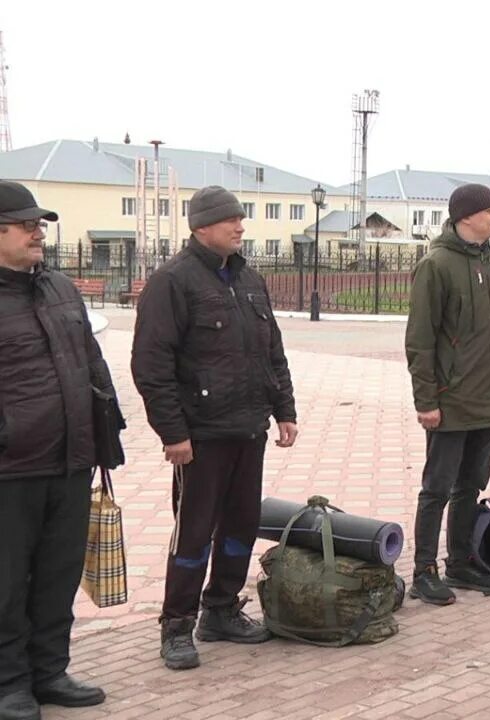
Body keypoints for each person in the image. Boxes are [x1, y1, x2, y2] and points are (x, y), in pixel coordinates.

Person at [132, 186, 299, 668]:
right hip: (201, 436)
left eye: (241, 220)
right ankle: (177, 625)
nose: (240, 228)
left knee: (241, 525)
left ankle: (221, 610)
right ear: (202, 226)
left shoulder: (249, 279)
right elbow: (151, 363)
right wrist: (173, 433)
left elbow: (273, 350)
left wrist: (284, 410)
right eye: (231, 221)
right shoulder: (173, 282)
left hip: (249, 428)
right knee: (194, 532)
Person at [0, 181, 119, 716]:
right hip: (10, 468)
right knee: (5, 583)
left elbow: (92, 366)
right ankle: (8, 683)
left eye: (40, 223)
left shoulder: (60, 289)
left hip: (70, 459)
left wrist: (105, 437)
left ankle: (49, 671)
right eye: (26, 224)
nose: (37, 231)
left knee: (58, 574)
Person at [404, 183, 490, 606]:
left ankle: (460, 561)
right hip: (451, 400)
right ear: (466, 216)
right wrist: (427, 400)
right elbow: (420, 340)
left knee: (470, 485)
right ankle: (423, 569)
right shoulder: (437, 265)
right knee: (437, 487)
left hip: (488, 401)